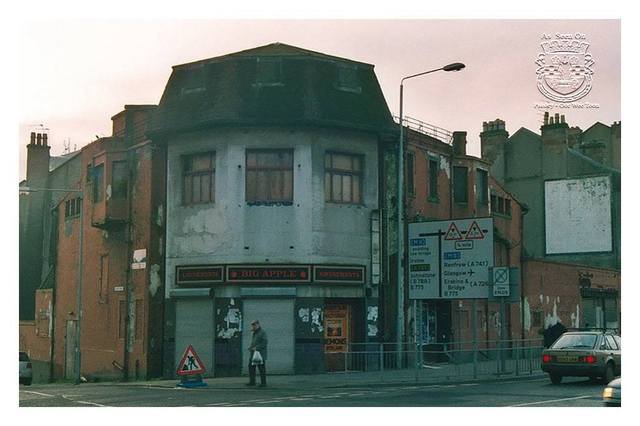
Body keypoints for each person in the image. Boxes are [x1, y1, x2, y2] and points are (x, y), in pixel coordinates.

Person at [246, 320, 268, 387]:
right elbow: (254, 342)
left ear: (258, 324)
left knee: (261, 369)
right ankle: (252, 381)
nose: (253, 326)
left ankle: (263, 383)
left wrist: (257, 348)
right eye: (252, 325)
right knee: (251, 367)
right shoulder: (255, 333)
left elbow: (264, 342)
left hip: (260, 354)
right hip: (253, 354)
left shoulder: (262, 332)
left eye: (254, 325)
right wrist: (251, 348)